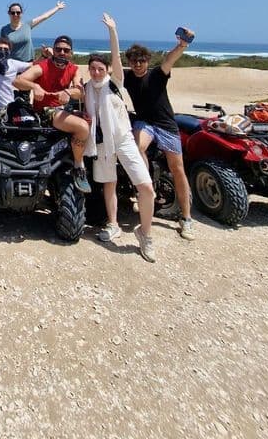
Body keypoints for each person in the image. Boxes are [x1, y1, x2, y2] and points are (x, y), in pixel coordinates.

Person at [84, 14, 156, 263]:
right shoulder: (86, 89)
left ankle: (145, 233)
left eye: (99, 68)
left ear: (106, 70)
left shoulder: (114, 82)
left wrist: (113, 31)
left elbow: (115, 56)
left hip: (123, 139)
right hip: (101, 143)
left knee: (145, 187)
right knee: (109, 184)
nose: (95, 72)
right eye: (92, 68)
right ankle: (113, 223)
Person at [123, 29, 196, 241]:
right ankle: (146, 190)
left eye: (141, 60)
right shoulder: (128, 77)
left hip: (166, 124)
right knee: (138, 148)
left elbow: (169, 59)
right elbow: (108, 74)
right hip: (145, 123)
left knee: (178, 169)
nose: (137, 64)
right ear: (130, 61)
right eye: (134, 61)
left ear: (147, 61)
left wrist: (182, 45)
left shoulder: (157, 74)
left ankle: (187, 218)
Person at [12, 35, 91, 193]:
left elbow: (79, 91)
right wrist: (34, 86)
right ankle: (78, 166)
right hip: (46, 112)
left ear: (71, 53)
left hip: (63, 111)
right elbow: (18, 81)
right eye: (58, 49)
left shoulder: (73, 69)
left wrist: (68, 91)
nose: (62, 52)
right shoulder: (42, 66)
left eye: (66, 50)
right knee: (82, 127)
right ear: (53, 50)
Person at [0, 0, 66, 62]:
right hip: (12, 64)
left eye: (18, 12)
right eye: (13, 13)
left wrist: (57, 7)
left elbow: (44, 17)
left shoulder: (27, 25)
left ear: (21, 13)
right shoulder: (4, 30)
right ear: (9, 13)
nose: (15, 15)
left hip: (28, 63)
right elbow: (1, 48)